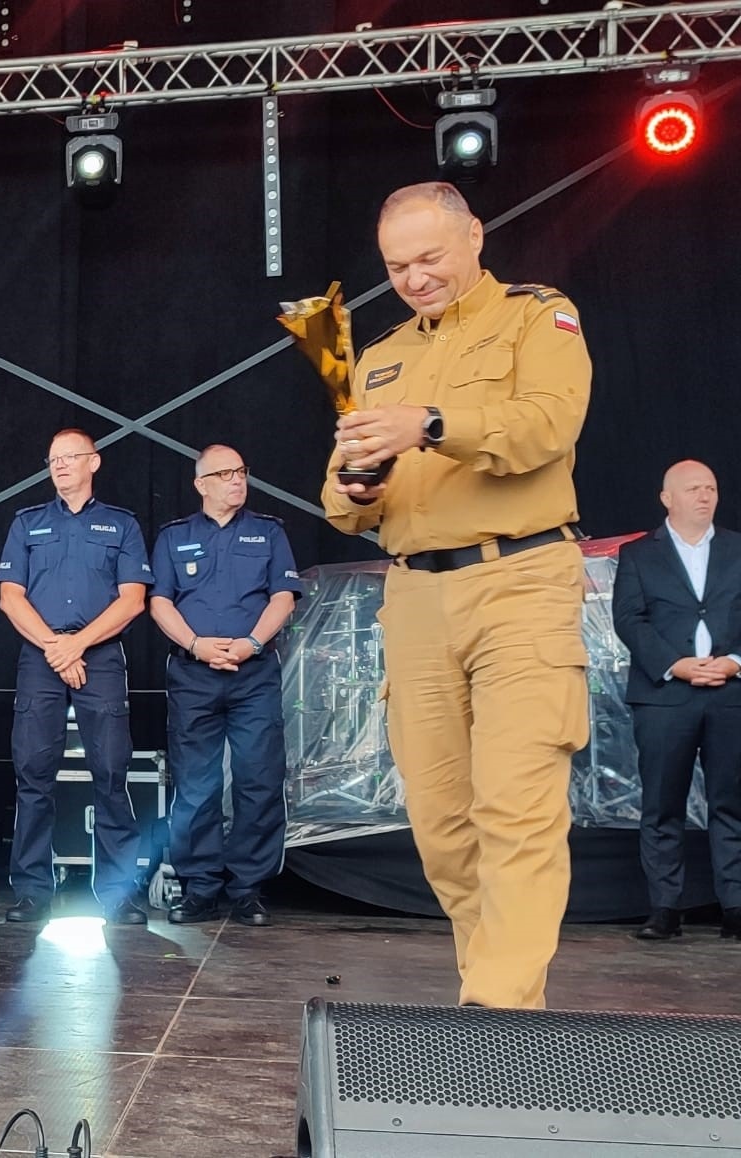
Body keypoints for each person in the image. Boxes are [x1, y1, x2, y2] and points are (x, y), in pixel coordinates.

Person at [322, 181, 591, 1009]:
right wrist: (358, 484)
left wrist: (431, 423)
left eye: (430, 257)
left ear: (475, 234)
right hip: (414, 599)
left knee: (516, 810)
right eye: (398, 266)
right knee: (442, 828)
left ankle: (496, 1016)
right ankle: (502, 1002)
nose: (415, 278)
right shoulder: (378, 357)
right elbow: (340, 503)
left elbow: (549, 424)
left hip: (519, 583)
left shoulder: (538, 317)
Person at [0, 429, 151, 924]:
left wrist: (76, 645)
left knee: (110, 772)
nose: (60, 465)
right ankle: (31, 890)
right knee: (32, 774)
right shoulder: (27, 523)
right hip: (41, 655)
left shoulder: (121, 524)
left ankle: (119, 894)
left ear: (94, 462)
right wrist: (56, 647)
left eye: (70, 457)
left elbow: (133, 600)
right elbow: (10, 598)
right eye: (53, 459)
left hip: (98, 656)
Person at [148, 444, 301, 928]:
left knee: (258, 778)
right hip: (193, 674)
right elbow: (158, 602)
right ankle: (200, 887)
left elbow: (283, 597)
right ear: (201, 484)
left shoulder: (268, 532)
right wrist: (196, 645)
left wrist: (252, 643)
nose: (237, 480)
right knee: (195, 783)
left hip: (252, 673)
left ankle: (247, 888)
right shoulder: (174, 536)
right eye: (225, 473)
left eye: (241, 471)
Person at [611, 460, 741, 942]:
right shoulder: (639, 554)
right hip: (665, 695)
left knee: (732, 802)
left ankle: (736, 906)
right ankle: (665, 909)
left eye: (711, 488)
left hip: (730, 692)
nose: (704, 496)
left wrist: (735, 662)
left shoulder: (737, 548)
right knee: (662, 804)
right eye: (693, 489)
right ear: (667, 498)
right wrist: (675, 664)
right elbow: (629, 618)